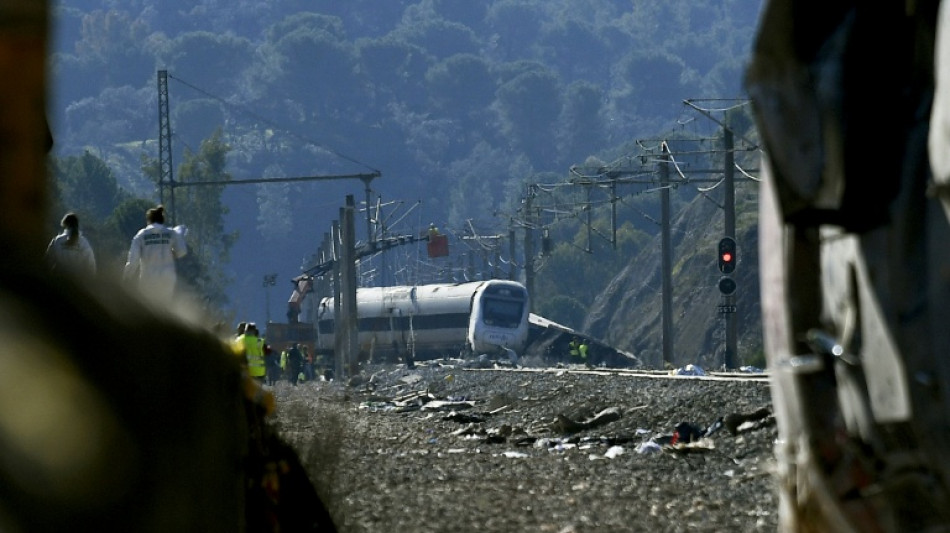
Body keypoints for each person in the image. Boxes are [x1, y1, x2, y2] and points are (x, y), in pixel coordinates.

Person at [123, 205, 187, 300]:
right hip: (167, 278)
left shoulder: (141, 235)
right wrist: (172, 253)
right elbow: (182, 251)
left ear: (149, 220)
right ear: (162, 220)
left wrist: (125, 278)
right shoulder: (171, 233)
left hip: (148, 278)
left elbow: (133, 261)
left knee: (148, 308)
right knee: (163, 308)